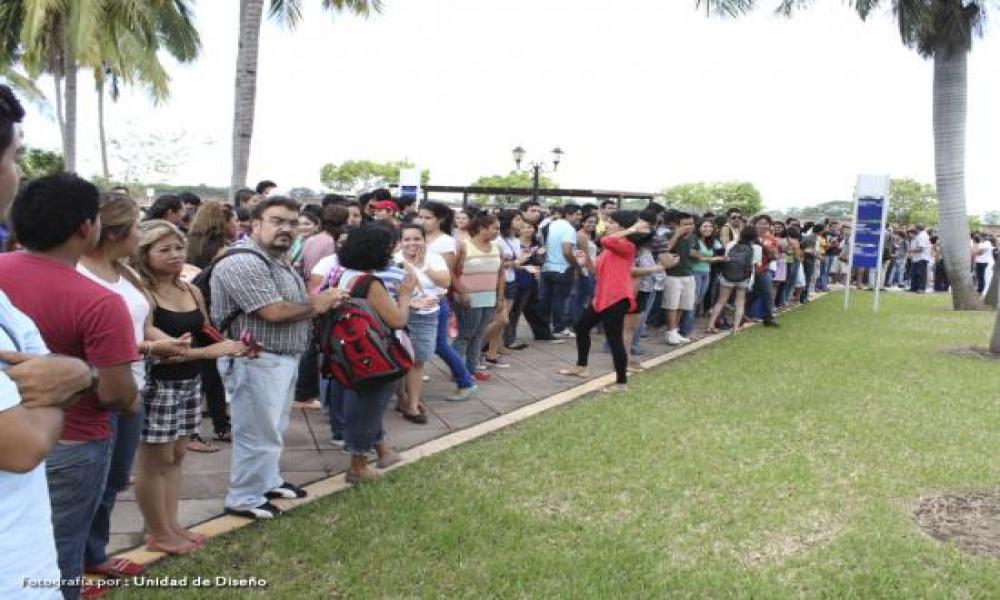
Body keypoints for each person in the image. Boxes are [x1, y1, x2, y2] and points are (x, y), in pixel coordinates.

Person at [0, 174, 139, 600]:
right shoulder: (100, 301)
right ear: (86, 228)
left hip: (15, 431)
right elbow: (118, 394)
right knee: (60, 548)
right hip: (74, 443)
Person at [0, 85, 95, 600]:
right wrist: (74, 378)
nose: (18, 174)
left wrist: (65, 378)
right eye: (14, 157)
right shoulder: (95, 299)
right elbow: (21, 444)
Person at [78, 194, 191, 581]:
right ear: (117, 232)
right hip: (96, 389)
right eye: (136, 227)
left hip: (134, 384)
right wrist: (150, 347)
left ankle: (95, 554)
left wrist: (165, 342)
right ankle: (72, 565)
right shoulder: (80, 273)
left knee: (112, 480)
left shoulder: (123, 271)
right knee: (86, 485)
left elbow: (140, 324)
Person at [211, 196, 346, 519]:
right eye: (277, 221)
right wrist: (319, 303)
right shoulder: (243, 261)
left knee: (273, 427)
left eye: (291, 222)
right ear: (255, 224)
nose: (286, 228)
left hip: (279, 358)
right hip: (255, 359)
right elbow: (272, 311)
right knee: (256, 432)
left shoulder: (278, 258)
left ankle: (266, 482)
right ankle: (243, 496)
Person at [133, 220, 248, 554]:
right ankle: (156, 531)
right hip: (158, 385)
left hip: (190, 381)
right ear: (145, 253)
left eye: (178, 248)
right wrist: (211, 351)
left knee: (177, 456)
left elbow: (206, 330)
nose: (174, 255)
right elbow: (160, 348)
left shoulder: (191, 289)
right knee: (155, 462)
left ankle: (171, 524)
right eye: (164, 249)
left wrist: (232, 345)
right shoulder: (143, 292)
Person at [334, 224, 413, 483]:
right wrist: (405, 294)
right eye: (390, 247)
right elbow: (397, 320)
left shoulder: (344, 274)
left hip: (348, 353)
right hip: (372, 354)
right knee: (370, 405)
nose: (393, 252)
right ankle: (357, 465)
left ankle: (382, 450)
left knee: (366, 402)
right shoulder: (370, 282)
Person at [558, 211, 649, 393]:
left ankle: (621, 383)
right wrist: (585, 262)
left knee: (614, 339)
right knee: (582, 327)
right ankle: (581, 367)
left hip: (616, 298)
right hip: (602, 298)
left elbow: (606, 240)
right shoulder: (611, 248)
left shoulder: (627, 246)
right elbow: (596, 272)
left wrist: (631, 229)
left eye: (611, 222)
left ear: (622, 227)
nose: (607, 225)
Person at [185, 201, 240, 448]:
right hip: (207, 313)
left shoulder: (190, 243)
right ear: (223, 222)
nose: (237, 225)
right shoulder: (221, 250)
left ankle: (197, 429)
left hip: (185, 309)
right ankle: (217, 425)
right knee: (210, 373)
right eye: (235, 220)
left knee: (197, 372)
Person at [418, 201, 478, 401]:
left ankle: (465, 381)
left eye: (428, 217)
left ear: (440, 219)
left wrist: (461, 291)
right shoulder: (418, 238)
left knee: (440, 345)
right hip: (415, 298)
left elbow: (447, 274)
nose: (422, 221)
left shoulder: (445, 241)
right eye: (420, 216)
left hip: (435, 298)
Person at [395, 224, 449, 423]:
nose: (412, 243)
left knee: (418, 360)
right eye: (407, 239)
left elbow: (445, 282)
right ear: (400, 242)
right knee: (400, 359)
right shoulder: (394, 260)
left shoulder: (434, 258)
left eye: (417, 238)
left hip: (427, 315)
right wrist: (411, 303)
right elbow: (389, 292)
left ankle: (412, 402)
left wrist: (422, 266)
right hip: (400, 315)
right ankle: (406, 400)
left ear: (425, 240)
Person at [452, 214, 504, 381]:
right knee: (466, 334)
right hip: (468, 299)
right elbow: (452, 273)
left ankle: (471, 369)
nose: (498, 231)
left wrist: (500, 298)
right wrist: (461, 292)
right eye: (495, 228)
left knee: (479, 334)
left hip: (489, 298)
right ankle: (458, 371)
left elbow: (501, 274)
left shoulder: (497, 248)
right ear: (482, 228)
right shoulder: (464, 247)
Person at [707, 225, 760, 334]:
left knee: (721, 301)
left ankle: (710, 325)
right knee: (740, 303)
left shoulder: (731, 244)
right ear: (755, 236)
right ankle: (735, 329)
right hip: (744, 278)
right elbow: (756, 264)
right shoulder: (757, 248)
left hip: (727, 276)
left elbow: (725, 258)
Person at [539, 205, 580, 338]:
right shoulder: (569, 229)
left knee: (547, 299)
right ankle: (559, 328)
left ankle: (543, 327)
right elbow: (567, 251)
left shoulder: (551, 225)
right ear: (568, 214)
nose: (579, 217)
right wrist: (576, 264)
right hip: (563, 268)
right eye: (577, 214)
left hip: (547, 267)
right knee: (560, 300)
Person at [663, 212, 698, 345]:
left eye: (691, 224)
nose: (689, 226)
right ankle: (670, 332)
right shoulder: (668, 235)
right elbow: (664, 249)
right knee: (671, 305)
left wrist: (696, 254)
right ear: (676, 225)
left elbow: (697, 254)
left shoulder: (694, 238)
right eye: (685, 224)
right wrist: (676, 235)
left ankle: (675, 331)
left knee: (682, 305)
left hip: (689, 274)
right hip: (672, 275)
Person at [909, 224, 931, 293]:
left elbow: (921, 247)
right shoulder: (920, 235)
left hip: (922, 257)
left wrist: (912, 250)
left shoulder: (923, 236)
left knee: (921, 274)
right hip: (917, 257)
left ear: (917, 229)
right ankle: (914, 287)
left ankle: (921, 288)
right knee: (914, 273)